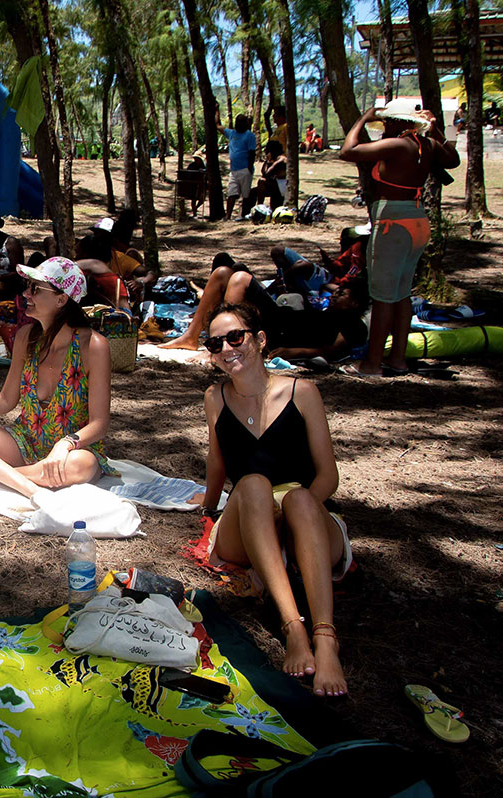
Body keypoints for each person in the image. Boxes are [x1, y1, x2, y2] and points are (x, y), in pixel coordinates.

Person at [197, 302, 351, 697]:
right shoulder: (215, 397)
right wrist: (208, 506)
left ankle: (325, 637)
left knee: (299, 498)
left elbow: (328, 477)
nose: (226, 349)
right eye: (216, 343)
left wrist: (289, 520)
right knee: (251, 484)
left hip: (306, 515)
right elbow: (217, 463)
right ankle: (292, 627)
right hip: (250, 516)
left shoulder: (303, 392)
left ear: (260, 340)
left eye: (235, 337)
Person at [0, 257, 114, 509]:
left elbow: (100, 424)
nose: (26, 293)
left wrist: (65, 443)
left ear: (61, 300)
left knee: (85, 465)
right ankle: (27, 484)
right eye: (28, 286)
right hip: (25, 440)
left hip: (71, 451)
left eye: (35, 289)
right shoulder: (26, 336)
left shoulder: (93, 346)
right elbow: (7, 399)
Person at [337, 99, 459, 377]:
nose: (384, 128)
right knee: (402, 294)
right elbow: (453, 159)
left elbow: (348, 151)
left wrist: (363, 119)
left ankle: (372, 364)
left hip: (393, 221)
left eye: (386, 122)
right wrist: (437, 130)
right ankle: (398, 359)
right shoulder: (425, 145)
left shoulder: (398, 145)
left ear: (398, 122)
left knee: (382, 296)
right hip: (417, 219)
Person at [220, 111, 257, 220]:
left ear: (246, 123)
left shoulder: (249, 135)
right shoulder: (232, 133)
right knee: (231, 193)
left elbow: (252, 152)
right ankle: (228, 216)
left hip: (245, 169)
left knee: (245, 195)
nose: (238, 124)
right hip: (234, 170)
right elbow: (218, 126)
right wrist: (216, 110)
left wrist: (249, 167)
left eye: (241, 122)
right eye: (237, 122)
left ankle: (242, 215)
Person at [259, 139, 287, 210]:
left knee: (262, 182)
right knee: (253, 191)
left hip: (282, 185)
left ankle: (259, 206)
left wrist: (267, 161)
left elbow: (267, 173)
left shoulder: (281, 160)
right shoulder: (275, 160)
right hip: (277, 184)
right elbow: (263, 172)